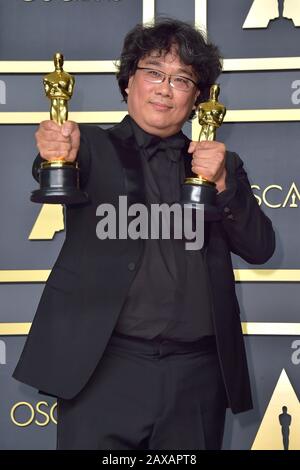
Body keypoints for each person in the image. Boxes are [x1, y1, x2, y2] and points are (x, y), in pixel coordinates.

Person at [13, 19, 275, 450]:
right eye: (153, 72)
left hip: (196, 378)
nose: (164, 88)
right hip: (104, 372)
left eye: (182, 79)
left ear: (197, 99)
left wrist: (225, 186)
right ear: (128, 81)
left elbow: (261, 248)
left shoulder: (220, 164)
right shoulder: (91, 148)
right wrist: (54, 155)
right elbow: (55, 165)